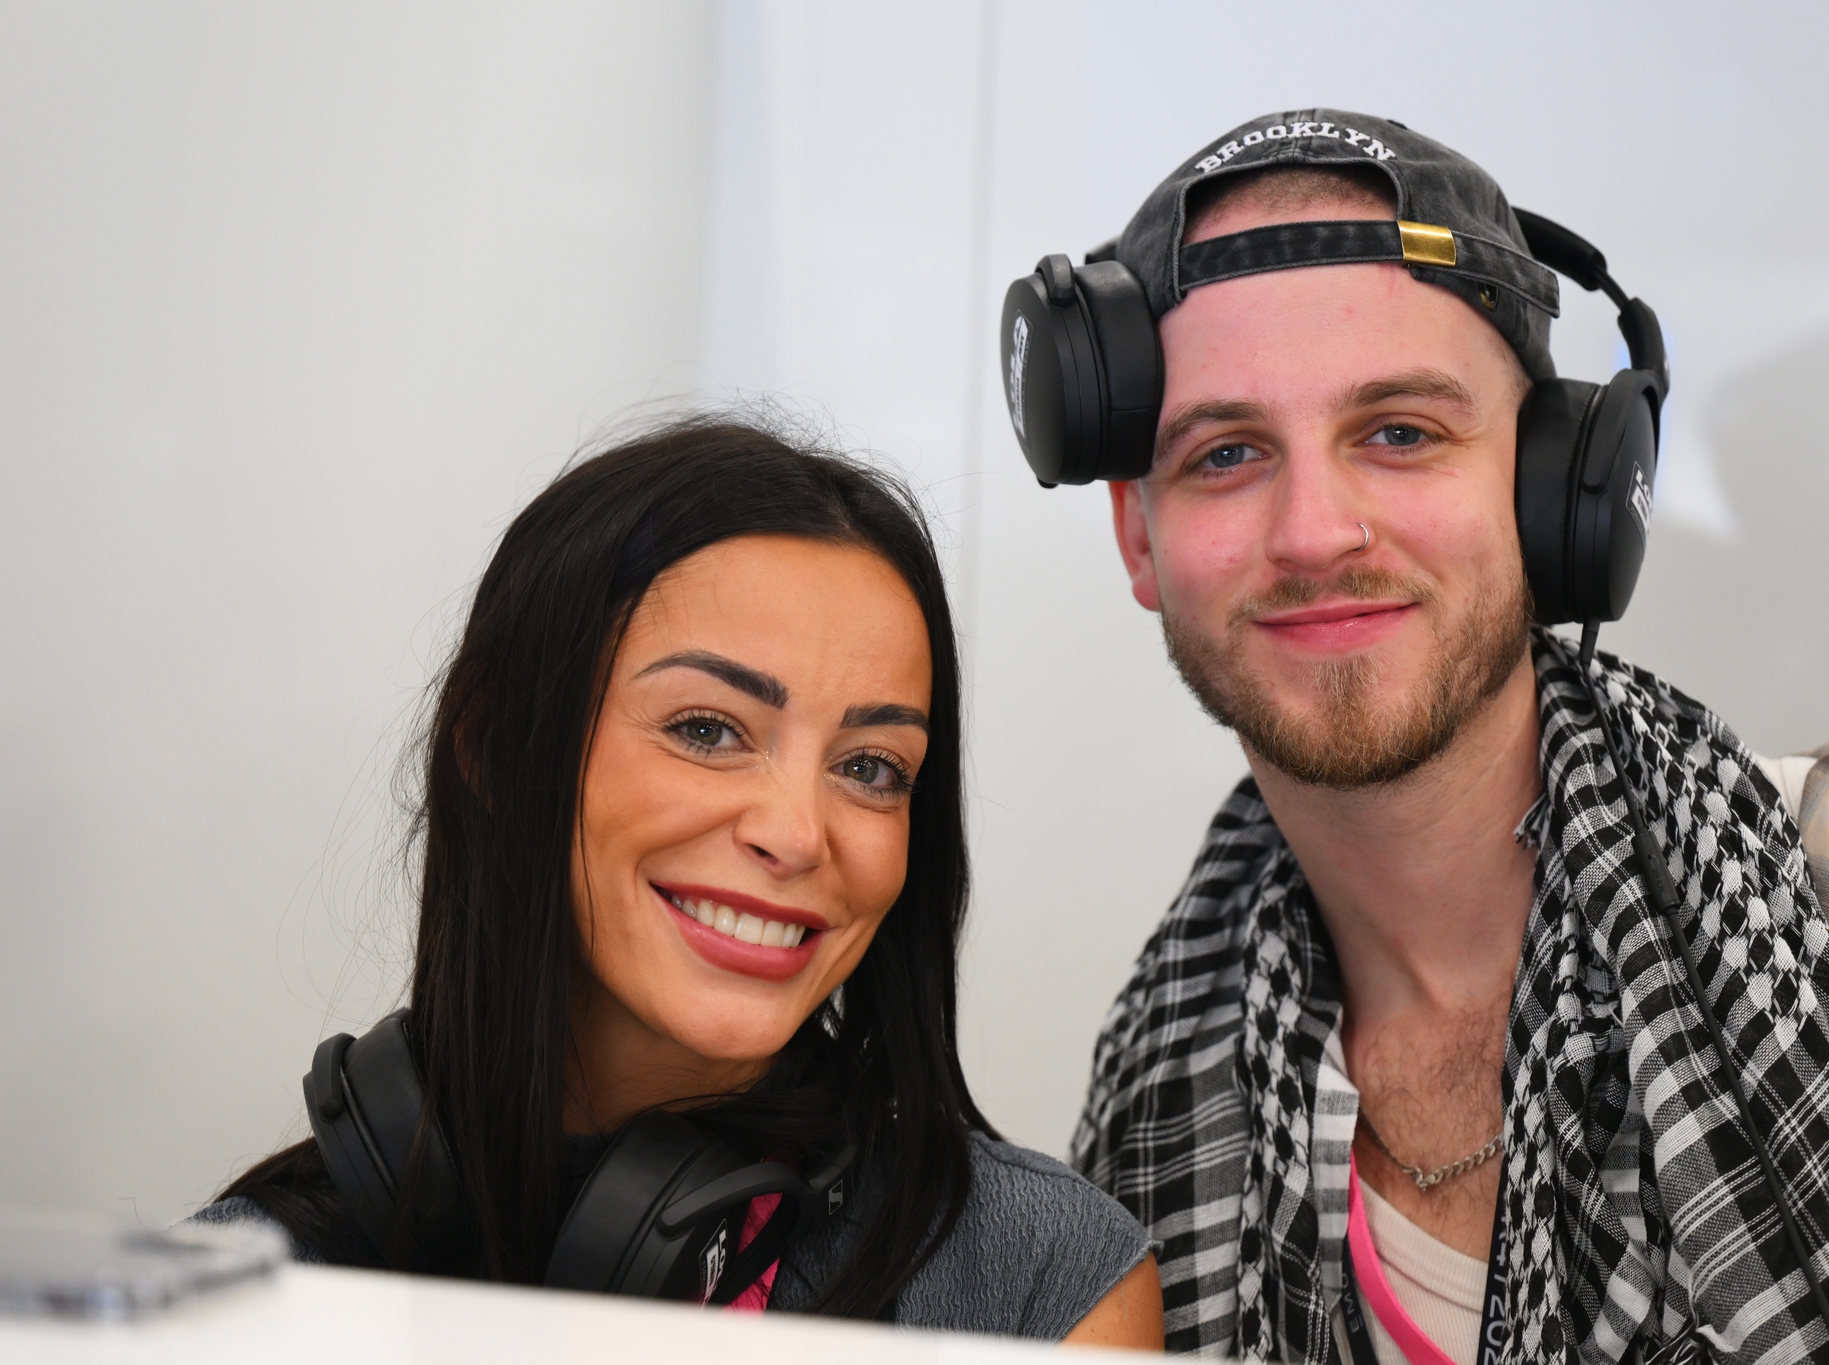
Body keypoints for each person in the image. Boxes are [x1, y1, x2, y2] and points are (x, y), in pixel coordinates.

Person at [1000, 111, 1829, 1365]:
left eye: (1399, 432)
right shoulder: (1144, 1119)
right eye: (1225, 454)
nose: (1314, 533)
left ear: (1558, 492)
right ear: (1137, 539)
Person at [200, 415, 1164, 1348]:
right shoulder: (241, 1297)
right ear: (495, 748)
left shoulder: (1044, 1285)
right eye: (707, 729)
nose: (794, 834)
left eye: (871, 766)